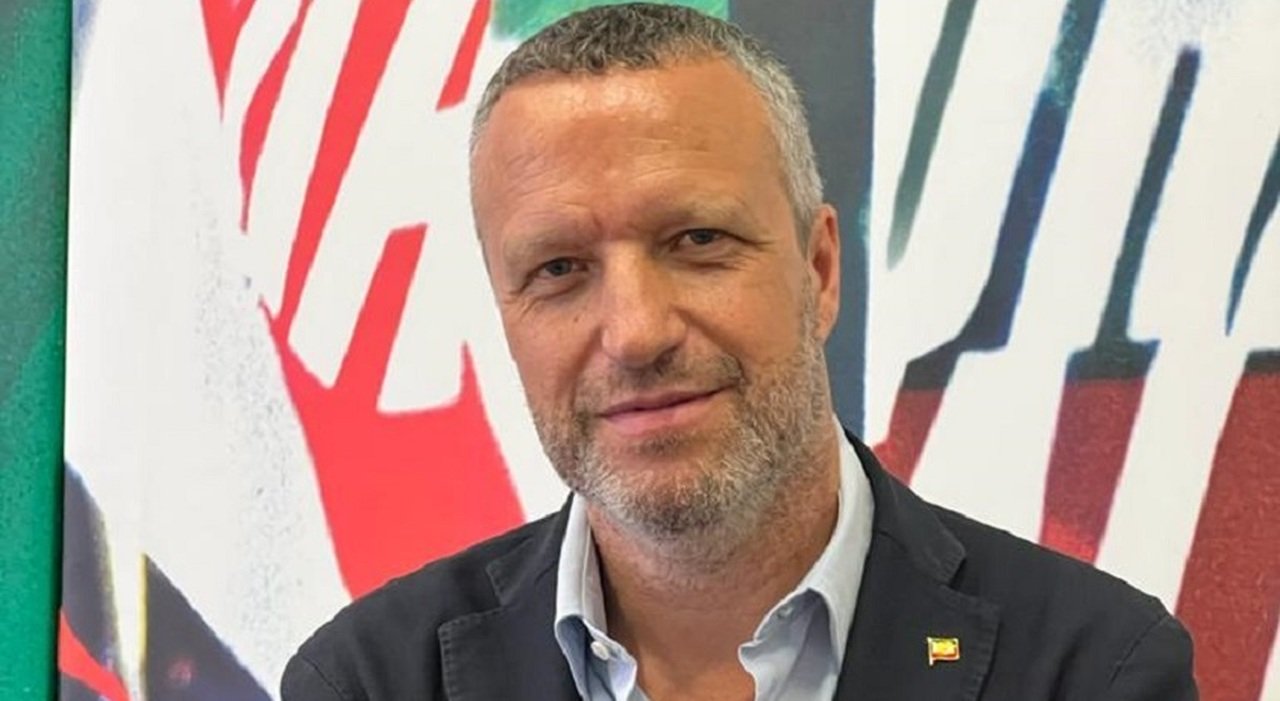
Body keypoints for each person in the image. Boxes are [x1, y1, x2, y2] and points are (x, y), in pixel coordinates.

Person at [281, 4, 1197, 699]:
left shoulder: (1090, 669)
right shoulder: (369, 681)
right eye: (559, 268)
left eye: (697, 240)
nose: (636, 332)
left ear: (820, 269)